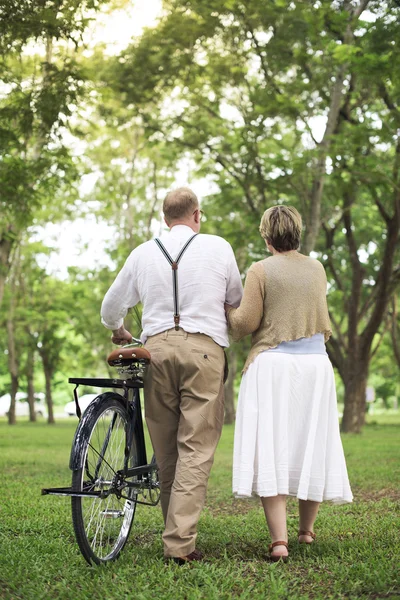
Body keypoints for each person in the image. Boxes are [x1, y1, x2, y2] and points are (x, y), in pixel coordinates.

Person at [101, 187, 243, 563]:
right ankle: (179, 545)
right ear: (197, 215)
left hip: (156, 352)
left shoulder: (143, 252)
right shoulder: (219, 247)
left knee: (166, 451)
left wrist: (117, 327)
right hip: (203, 352)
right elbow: (237, 302)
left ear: (165, 219)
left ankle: (176, 536)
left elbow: (110, 307)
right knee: (195, 449)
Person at [225, 205, 353, 562]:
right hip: (316, 365)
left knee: (274, 446)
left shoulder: (260, 270)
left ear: (267, 238)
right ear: (297, 232)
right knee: (311, 441)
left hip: (274, 365)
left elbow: (246, 322)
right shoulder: (317, 268)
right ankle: (306, 532)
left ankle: (279, 542)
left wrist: (227, 313)